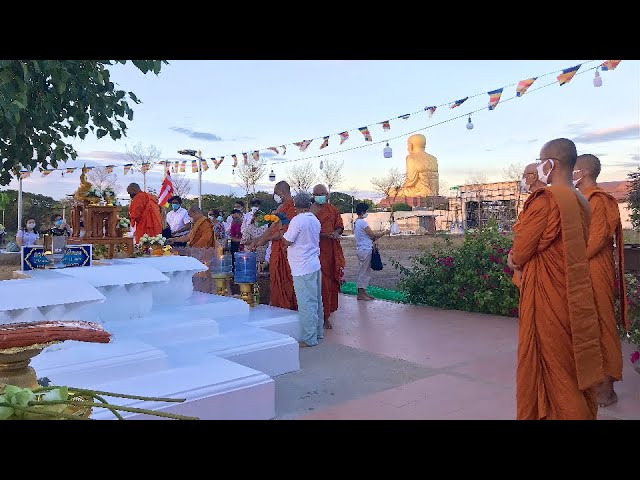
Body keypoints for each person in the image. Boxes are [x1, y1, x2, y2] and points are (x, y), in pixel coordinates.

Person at [508, 138, 604, 420]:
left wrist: (512, 259)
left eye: (540, 161)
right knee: (572, 364)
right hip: (573, 291)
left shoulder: (547, 200)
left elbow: (522, 249)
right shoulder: (583, 201)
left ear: (550, 163)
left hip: (548, 296)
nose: (538, 167)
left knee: (554, 368)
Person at [574, 153, 629, 407]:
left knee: (601, 323)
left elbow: (595, 241)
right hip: (579, 270)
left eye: (573, 170)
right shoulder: (580, 199)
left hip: (595, 269)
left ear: (582, 172)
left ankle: (606, 387)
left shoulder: (600, 200)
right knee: (585, 324)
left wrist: (570, 261)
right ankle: (590, 380)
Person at [245, 181, 298, 310]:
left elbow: (284, 233)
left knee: (287, 281)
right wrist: (257, 241)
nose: (275, 196)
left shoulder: (293, 208)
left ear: (282, 192)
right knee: (276, 280)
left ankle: (289, 308)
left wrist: (265, 239)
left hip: (287, 250)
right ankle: (278, 307)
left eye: (275, 193)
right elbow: (272, 229)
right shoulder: (280, 209)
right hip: (276, 250)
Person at [283, 192, 323, 347]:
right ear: (309, 204)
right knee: (316, 301)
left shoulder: (297, 220)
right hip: (314, 265)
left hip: (302, 267)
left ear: (295, 205)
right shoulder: (315, 220)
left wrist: (281, 231)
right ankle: (318, 333)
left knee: (306, 303)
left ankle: (309, 338)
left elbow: (287, 241)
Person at [310, 184, 345, 329]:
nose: (320, 196)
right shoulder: (308, 211)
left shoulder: (332, 210)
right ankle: (318, 316)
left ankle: (326, 315)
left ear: (327, 195)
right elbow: (307, 231)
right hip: (313, 252)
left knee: (329, 284)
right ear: (313, 195)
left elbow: (339, 226)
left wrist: (336, 233)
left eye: (322, 193)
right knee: (317, 284)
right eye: (317, 194)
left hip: (330, 252)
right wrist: (324, 235)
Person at [353, 202, 389, 301]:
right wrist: (384, 232)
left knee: (364, 271)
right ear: (363, 211)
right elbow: (373, 235)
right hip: (365, 250)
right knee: (364, 272)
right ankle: (361, 293)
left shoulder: (356, 222)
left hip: (361, 249)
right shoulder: (362, 222)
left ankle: (363, 292)